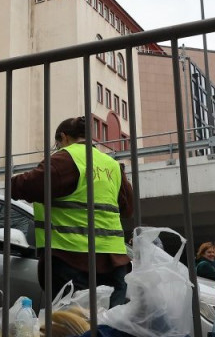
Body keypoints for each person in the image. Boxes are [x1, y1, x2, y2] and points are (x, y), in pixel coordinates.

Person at [11, 116, 133, 307]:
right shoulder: (112, 165)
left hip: (71, 259)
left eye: (57, 143)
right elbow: (128, 208)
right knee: (110, 325)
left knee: (73, 325)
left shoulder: (64, 159)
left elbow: (27, 185)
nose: (58, 148)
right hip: (114, 262)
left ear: (64, 137)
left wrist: (4, 184)